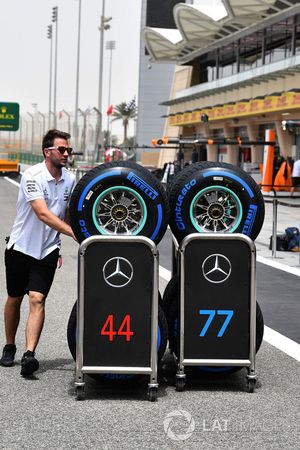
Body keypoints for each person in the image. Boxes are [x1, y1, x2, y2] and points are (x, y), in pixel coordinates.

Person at [0, 129, 76, 377]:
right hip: (21, 247)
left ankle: (29, 355)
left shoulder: (70, 179)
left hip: (48, 250)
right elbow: (42, 213)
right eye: (61, 150)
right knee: (15, 297)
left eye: (68, 150)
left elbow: (65, 215)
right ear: (47, 151)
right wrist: (74, 233)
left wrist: (70, 235)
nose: (66, 154)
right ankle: (9, 345)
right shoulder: (32, 175)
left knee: (37, 298)